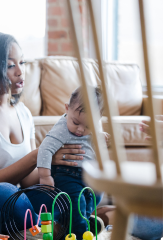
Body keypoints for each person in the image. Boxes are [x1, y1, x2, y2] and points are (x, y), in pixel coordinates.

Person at [0, 32, 87, 233]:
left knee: (73, 186)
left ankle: (55, 224)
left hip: (20, 198)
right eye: (10, 65)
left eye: (22, 62)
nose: (20, 71)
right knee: (8, 194)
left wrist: (58, 163)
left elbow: (29, 180)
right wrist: (37, 156)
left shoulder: (23, 112)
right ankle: (52, 225)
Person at [37, 86, 106, 239]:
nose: (80, 130)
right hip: (68, 175)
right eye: (75, 122)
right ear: (67, 109)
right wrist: (45, 176)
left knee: (96, 195)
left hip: (86, 174)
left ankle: (80, 224)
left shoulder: (87, 125)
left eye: (88, 126)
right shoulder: (62, 129)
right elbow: (45, 149)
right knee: (76, 202)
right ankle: (80, 233)